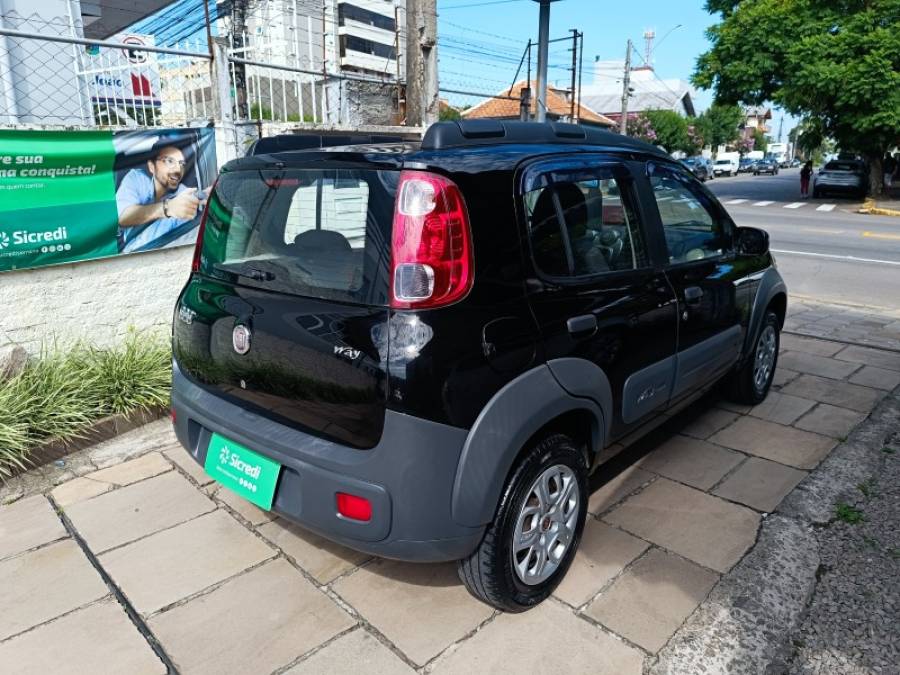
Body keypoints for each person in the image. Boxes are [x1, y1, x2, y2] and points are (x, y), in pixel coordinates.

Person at [116, 144, 205, 253]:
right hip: (129, 253)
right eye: (169, 161)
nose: (178, 169)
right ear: (152, 166)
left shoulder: (183, 193)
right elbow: (123, 217)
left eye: (181, 163)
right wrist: (167, 208)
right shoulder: (136, 179)